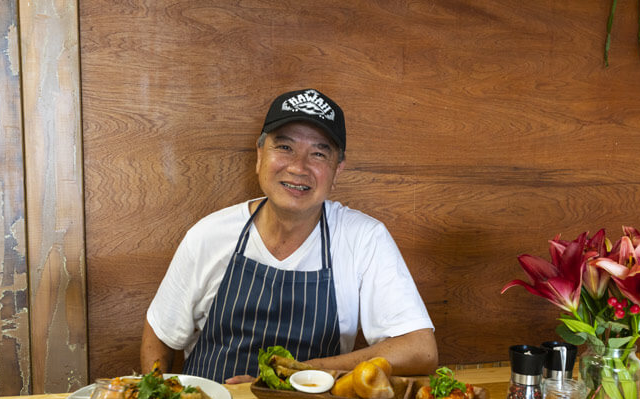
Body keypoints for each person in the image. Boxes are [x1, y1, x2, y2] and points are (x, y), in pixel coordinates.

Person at [141, 88, 438, 383]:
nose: (298, 167)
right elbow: (160, 334)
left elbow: (420, 350)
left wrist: (296, 374)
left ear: (337, 171)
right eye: (284, 148)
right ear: (259, 156)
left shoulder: (363, 238)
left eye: (319, 153)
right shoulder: (209, 235)